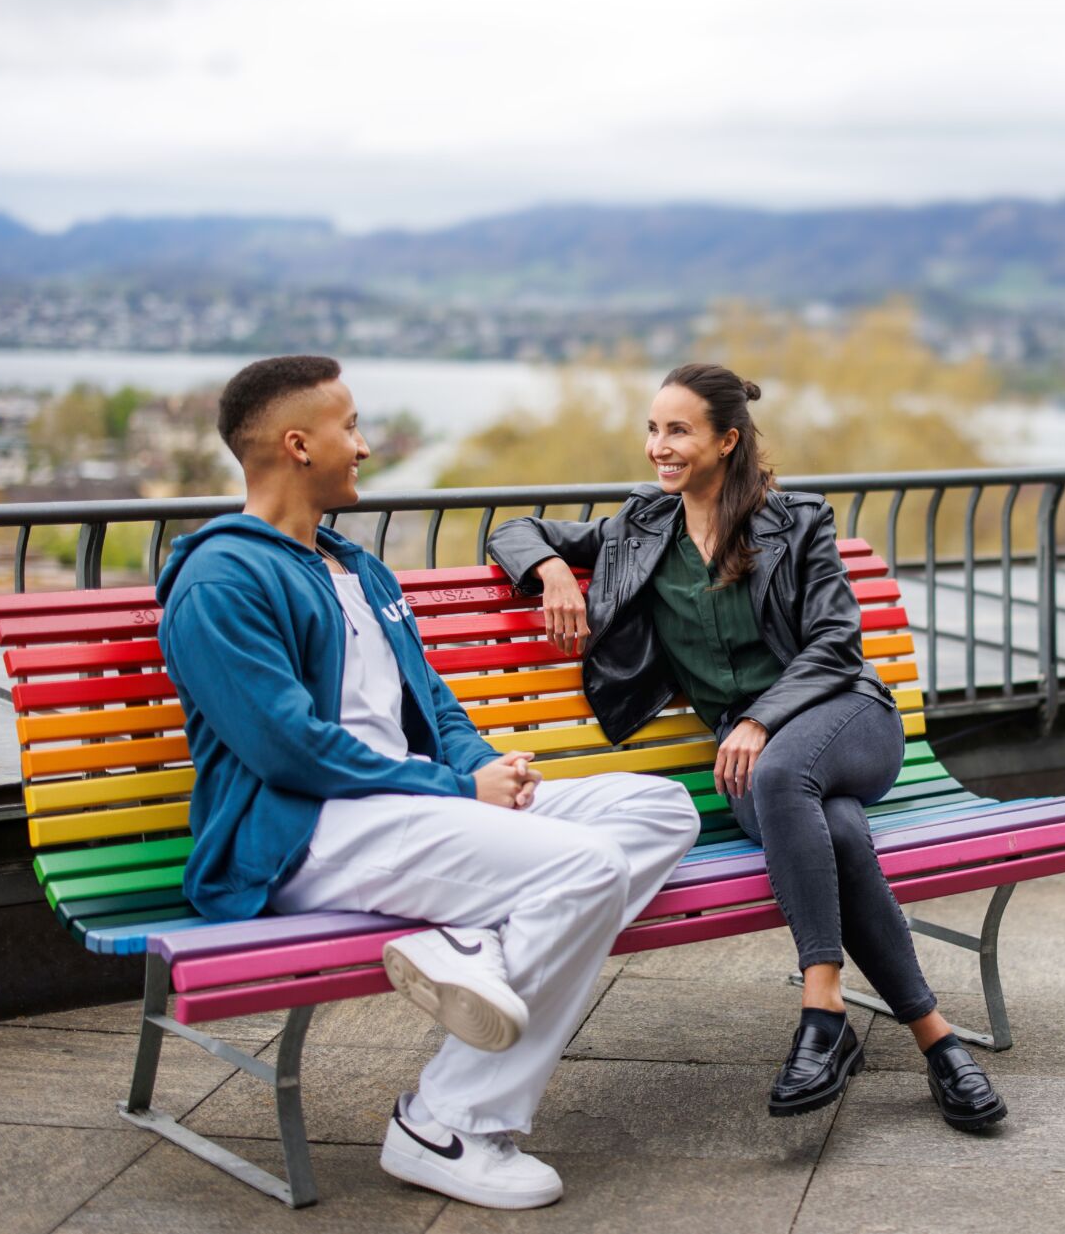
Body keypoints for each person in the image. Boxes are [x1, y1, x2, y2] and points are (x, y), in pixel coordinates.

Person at [157, 355, 700, 1210]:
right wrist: (451, 790)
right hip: (303, 831)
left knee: (658, 807)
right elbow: (287, 750)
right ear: (298, 444)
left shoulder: (357, 569)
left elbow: (431, 701)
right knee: (587, 867)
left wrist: (479, 765)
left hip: (404, 804)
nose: (365, 445)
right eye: (350, 428)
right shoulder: (222, 580)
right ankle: (445, 1121)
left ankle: (478, 949)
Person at [489, 362, 1006, 1131]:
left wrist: (762, 717)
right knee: (833, 828)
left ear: (728, 440)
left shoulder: (795, 519)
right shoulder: (639, 525)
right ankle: (937, 1040)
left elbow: (836, 641)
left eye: (678, 430)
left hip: (844, 717)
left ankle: (821, 1009)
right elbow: (509, 527)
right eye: (653, 428)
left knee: (784, 768)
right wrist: (552, 570)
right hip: (753, 761)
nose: (657, 446)